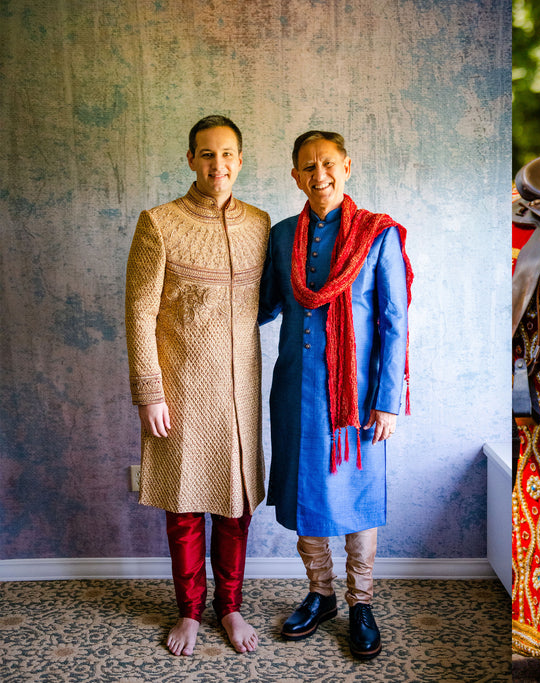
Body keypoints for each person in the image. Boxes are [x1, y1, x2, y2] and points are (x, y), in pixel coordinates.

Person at [259, 130, 412, 660]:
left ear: (347, 166)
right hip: (295, 392)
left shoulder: (378, 235)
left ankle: (361, 602)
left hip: (357, 397)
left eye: (328, 163)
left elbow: (395, 322)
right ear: (295, 174)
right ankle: (321, 594)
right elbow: (263, 307)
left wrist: (388, 400)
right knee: (305, 496)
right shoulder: (280, 238)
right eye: (308, 166)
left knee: (356, 498)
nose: (319, 174)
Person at [125, 115, 269, 656]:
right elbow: (138, 314)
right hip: (180, 390)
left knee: (236, 506)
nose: (218, 165)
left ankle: (229, 607)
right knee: (184, 506)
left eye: (227, 154)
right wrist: (149, 391)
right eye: (207, 154)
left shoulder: (260, 223)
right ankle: (188, 611)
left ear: (240, 159)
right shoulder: (158, 222)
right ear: (190, 159)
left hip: (240, 392)